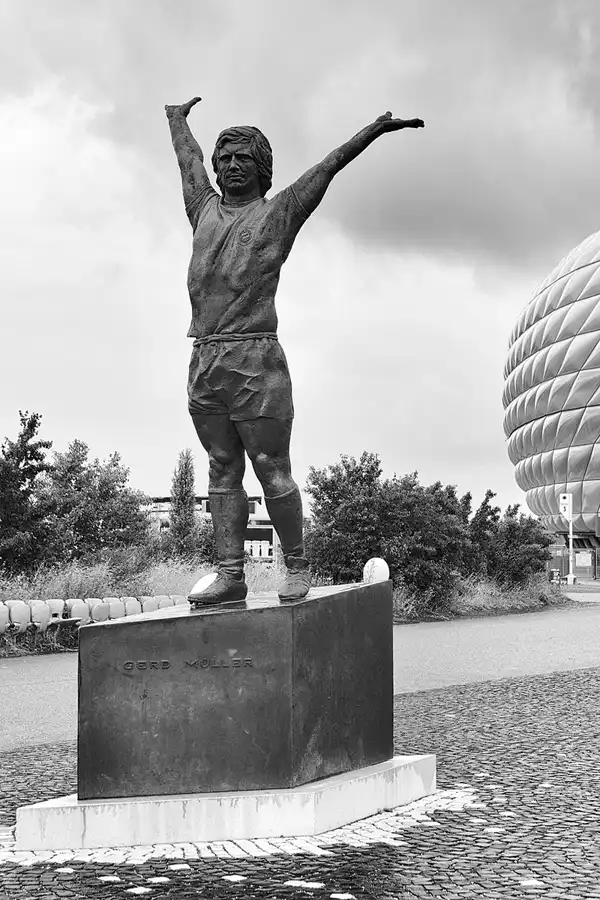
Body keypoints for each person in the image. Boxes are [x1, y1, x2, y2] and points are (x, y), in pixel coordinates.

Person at [166, 97, 424, 608]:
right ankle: (230, 573)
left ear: (262, 170)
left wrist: (372, 131)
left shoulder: (278, 213)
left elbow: (324, 169)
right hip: (205, 357)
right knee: (221, 464)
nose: (231, 166)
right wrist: (176, 120)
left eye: (244, 158)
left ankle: (298, 564)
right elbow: (187, 163)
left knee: (269, 465)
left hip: (256, 360)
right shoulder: (203, 210)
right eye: (225, 159)